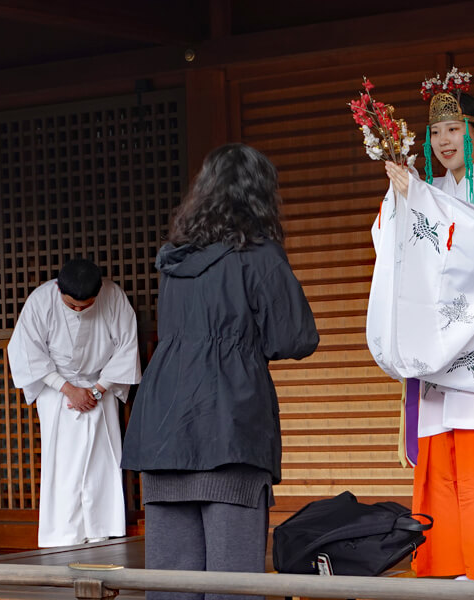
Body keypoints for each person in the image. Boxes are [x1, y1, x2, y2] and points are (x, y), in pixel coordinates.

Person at [366, 68, 474, 580]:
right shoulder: (426, 187)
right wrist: (401, 199)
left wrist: (419, 198)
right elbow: (395, 244)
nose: (445, 141)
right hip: (442, 346)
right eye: (436, 132)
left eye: (456, 128)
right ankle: (446, 561)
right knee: (443, 453)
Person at [121, 143, 319, 600]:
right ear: (259, 196)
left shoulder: (175, 260)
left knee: (170, 587)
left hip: (162, 431)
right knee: (234, 585)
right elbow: (295, 338)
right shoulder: (259, 255)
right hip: (231, 426)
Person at [8, 258, 142, 547]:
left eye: (87, 306)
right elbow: (27, 351)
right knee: (63, 462)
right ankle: (63, 534)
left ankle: (101, 528)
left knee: (100, 461)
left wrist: (96, 390)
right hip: (55, 389)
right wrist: (67, 389)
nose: (79, 311)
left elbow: (127, 346)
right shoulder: (41, 300)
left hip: (101, 386)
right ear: (58, 289)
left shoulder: (113, 296)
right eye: (72, 307)